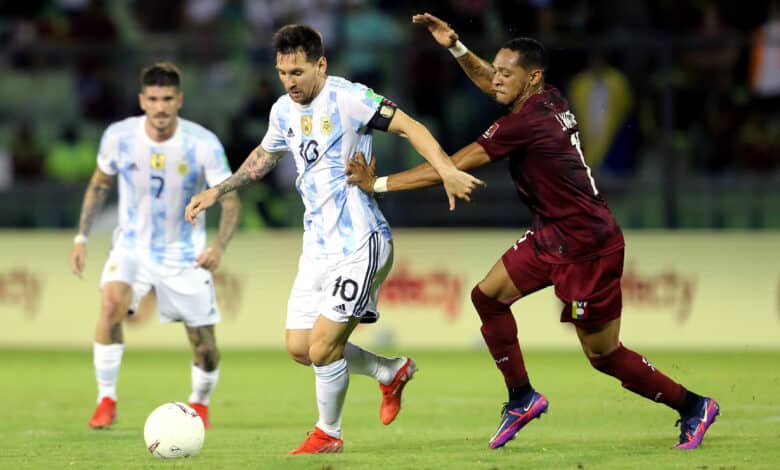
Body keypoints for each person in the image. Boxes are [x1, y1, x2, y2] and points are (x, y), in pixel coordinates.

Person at [345, 13, 719, 450]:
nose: (497, 79)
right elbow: (488, 83)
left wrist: (379, 184)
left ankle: (693, 406)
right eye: (497, 69)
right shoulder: (547, 98)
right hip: (551, 235)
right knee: (488, 296)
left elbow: (453, 164)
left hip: (588, 247)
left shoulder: (524, 124)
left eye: (507, 73)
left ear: (533, 77)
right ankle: (521, 396)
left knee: (603, 355)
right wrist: (456, 47)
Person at [185, 24, 484, 454]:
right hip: (317, 249)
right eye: (282, 73)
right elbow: (265, 157)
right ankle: (389, 371)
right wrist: (219, 189)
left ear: (320, 65)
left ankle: (329, 434)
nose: (290, 83)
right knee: (300, 347)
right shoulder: (282, 111)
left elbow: (411, 127)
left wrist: (447, 170)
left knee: (324, 347)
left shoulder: (349, 97)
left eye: (298, 72)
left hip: (362, 242)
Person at [69, 62, 241, 431]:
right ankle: (106, 400)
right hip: (132, 247)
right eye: (153, 99)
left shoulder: (202, 142)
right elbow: (99, 185)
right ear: (141, 101)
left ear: (179, 100)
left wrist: (219, 248)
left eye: (167, 99)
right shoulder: (119, 136)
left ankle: (201, 402)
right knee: (111, 304)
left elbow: (229, 200)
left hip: (184, 253)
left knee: (204, 346)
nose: (160, 107)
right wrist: (81, 237)